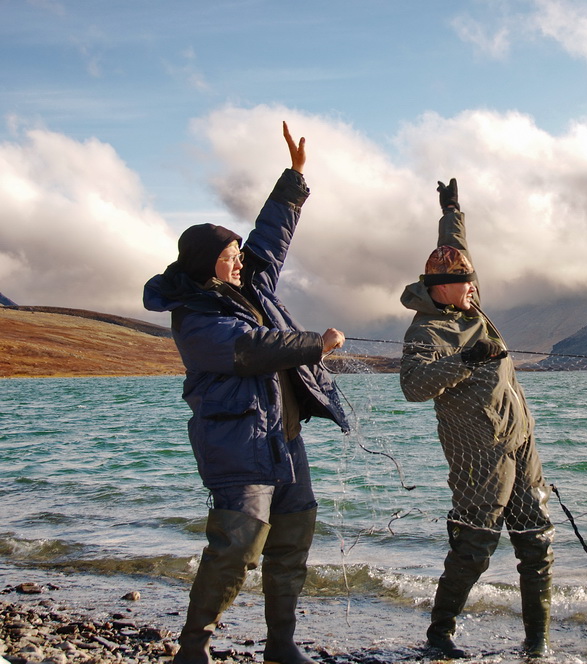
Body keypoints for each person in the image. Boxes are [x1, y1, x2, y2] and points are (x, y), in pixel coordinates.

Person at [143, 122, 350, 664]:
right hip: (237, 444)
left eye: (237, 253)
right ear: (204, 262)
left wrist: (295, 178)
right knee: (236, 549)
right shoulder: (194, 316)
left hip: (284, 439)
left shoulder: (247, 285)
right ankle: (193, 649)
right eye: (228, 254)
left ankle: (281, 646)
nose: (239, 259)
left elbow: (270, 236)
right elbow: (247, 349)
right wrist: (312, 343)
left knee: (293, 540)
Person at [399, 179, 555, 659]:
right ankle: (439, 638)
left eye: (472, 280)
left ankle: (537, 646)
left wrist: (452, 208)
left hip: (520, 443)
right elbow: (413, 387)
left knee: (537, 544)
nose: (473, 287)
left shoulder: (470, 301)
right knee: (475, 548)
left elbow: (454, 246)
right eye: (465, 282)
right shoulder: (426, 329)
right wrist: (466, 359)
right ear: (437, 288)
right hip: (477, 456)